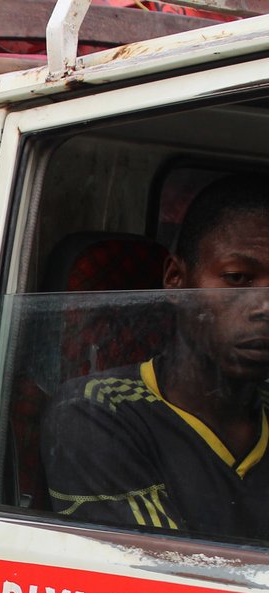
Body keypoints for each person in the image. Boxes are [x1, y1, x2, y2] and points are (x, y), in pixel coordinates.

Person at [41, 175, 269, 539]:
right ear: (176, 279)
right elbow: (172, 578)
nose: (264, 306)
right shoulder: (97, 411)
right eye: (238, 277)